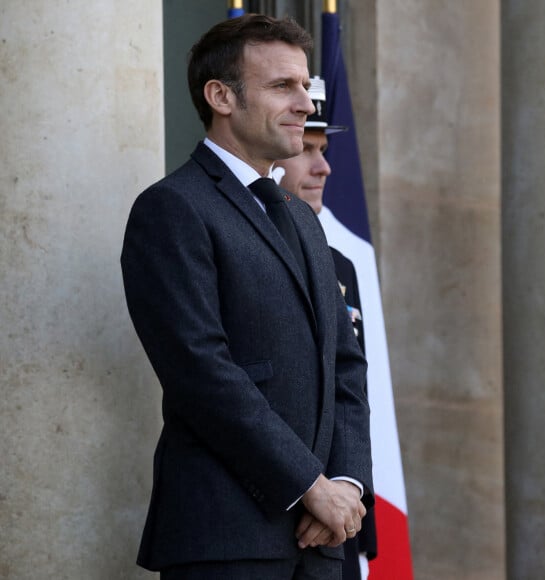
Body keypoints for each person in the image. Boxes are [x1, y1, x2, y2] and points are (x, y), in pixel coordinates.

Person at [120, 14, 373, 580]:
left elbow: (346, 367)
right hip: (227, 541)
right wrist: (308, 487)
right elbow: (201, 373)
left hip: (325, 541)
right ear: (221, 97)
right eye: (283, 86)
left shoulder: (303, 221)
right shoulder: (172, 209)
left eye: (305, 85)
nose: (306, 104)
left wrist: (347, 486)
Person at [275, 77, 378, 580]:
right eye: (307, 149)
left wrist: (348, 485)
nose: (323, 166)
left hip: (337, 524)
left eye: (325, 149)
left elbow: (348, 381)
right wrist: (312, 489)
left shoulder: (339, 264)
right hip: (270, 512)